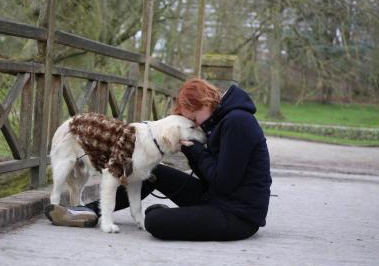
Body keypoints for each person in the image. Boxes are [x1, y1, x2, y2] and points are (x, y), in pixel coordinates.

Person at [45, 78, 272, 241]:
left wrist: (195, 152)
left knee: (155, 221)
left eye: (192, 117)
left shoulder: (237, 122)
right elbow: (211, 177)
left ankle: (164, 215)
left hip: (237, 215)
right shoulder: (219, 122)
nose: (195, 124)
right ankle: (87, 212)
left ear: (204, 103)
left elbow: (224, 181)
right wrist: (192, 152)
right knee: (151, 173)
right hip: (214, 196)